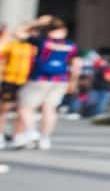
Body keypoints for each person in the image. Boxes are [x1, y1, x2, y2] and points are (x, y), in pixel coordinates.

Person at [12, 17, 80, 150]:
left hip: (40, 78)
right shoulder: (71, 45)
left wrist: (37, 22)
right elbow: (76, 65)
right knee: (49, 109)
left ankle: (31, 131)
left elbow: (18, 33)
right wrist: (73, 82)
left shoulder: (43, 42)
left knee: (25, 107)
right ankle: (45, 138)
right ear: (64, 31)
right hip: (60, 80)